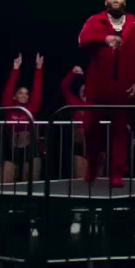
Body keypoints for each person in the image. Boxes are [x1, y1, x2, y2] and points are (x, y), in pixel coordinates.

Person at [77, 0, 135, 188]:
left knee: (119, 130)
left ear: (124, 2)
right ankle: (92, 165)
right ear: (106, 2)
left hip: (122, 86)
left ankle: (116, 172)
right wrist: (103, 39)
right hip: (98, 85)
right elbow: (82, 39)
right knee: (91, 127)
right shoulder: (95, 21)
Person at [0, 52, 43, 238]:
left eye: (26, 93)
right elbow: (7, 91)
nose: (24, 95)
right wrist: (15, 69)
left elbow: (37, 92)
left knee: (32, 187)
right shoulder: (9, 107)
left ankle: (32, 223)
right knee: (2, 185)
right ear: (14, 96)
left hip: (31, 150)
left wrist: (38, 69)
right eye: (20, 92)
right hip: (12, 151)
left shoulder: (32, 108)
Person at [60, 65, 92, 235]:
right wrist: (71, 73)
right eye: (82, 89)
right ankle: (77, 217)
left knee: (96, 183)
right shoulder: (74, 102)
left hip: (95, 146)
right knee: (79, 181)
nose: (84, 91)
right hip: (79, 146)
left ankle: (95, 216)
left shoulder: (95, 103)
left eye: (87, 89)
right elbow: (64, 87)